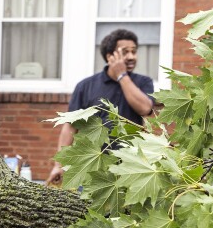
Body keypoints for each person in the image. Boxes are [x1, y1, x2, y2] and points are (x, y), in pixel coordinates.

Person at [45, 29, 156, 186]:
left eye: (134, 51)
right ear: (110, 57)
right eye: (125, 52)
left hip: (131, 167)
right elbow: (70, 127)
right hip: (93, 168)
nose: (132, 57)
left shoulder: (144, 82)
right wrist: (59, 165)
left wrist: (122, 76)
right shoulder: (86, 86)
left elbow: (145, 109)